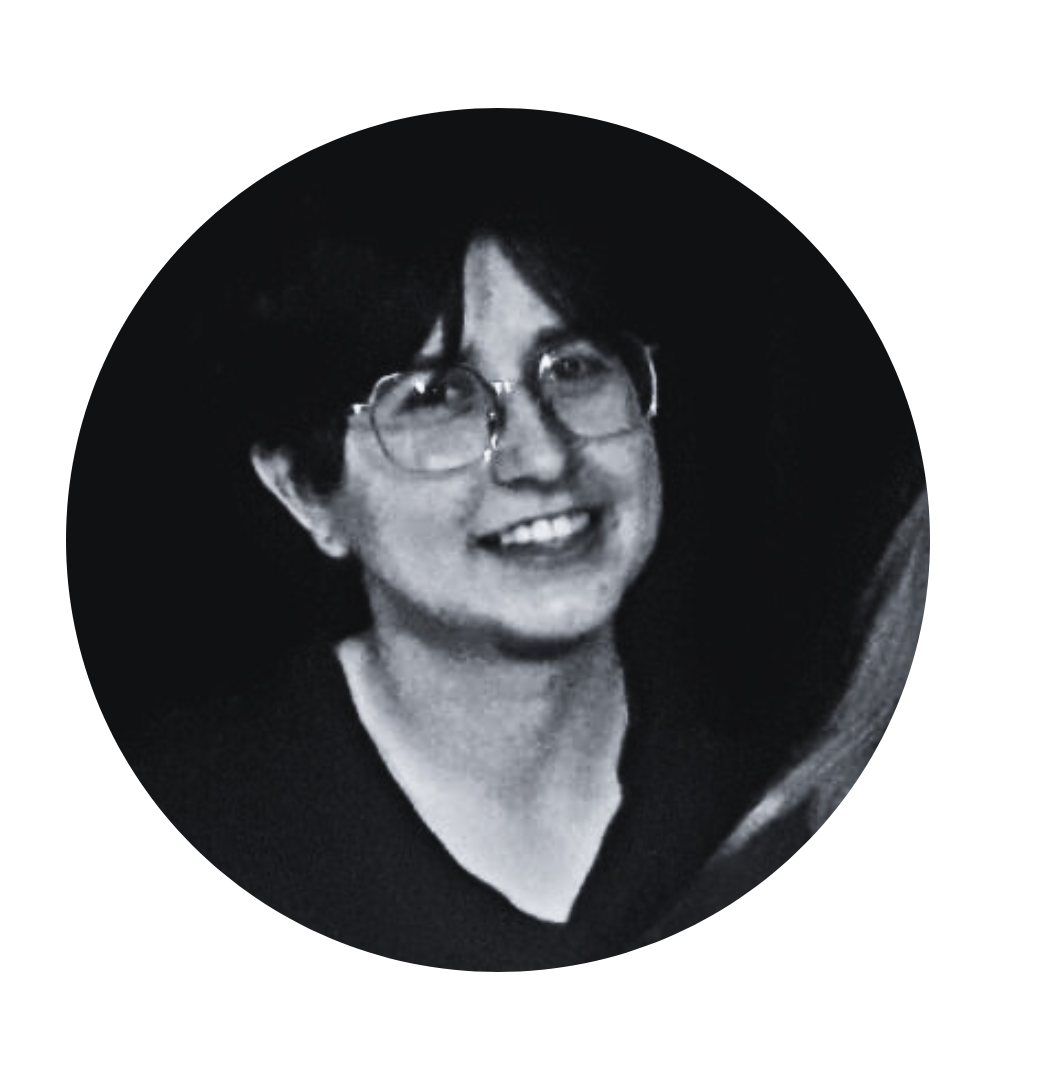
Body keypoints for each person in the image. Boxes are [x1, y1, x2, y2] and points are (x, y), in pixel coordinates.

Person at [112, 111, 927, 970]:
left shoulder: (793, 797)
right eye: (437, 397)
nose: (543, 455)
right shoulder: (185, 829)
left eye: (574, 368)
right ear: (304, 490)